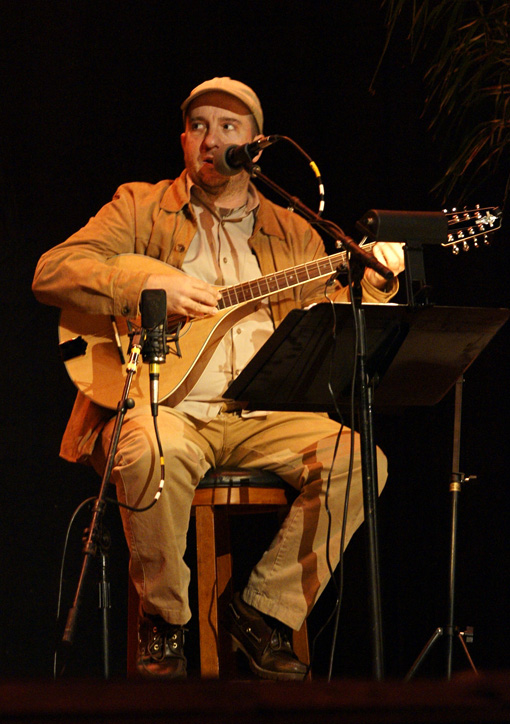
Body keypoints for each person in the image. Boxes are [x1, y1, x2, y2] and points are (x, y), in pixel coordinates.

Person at [33, 77, 405, 680]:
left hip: (263, 410)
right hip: (164, 407)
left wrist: (373, 282)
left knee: (361, 461)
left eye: (227, 128)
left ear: (255, 145)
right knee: (151, 450)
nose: (211, 140)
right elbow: (53, 270)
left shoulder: (295, 230)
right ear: (183, 140)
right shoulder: (140, 206)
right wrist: (146, 284)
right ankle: (166, 621)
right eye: (199, 126)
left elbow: (332, 318)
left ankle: (263, 612)